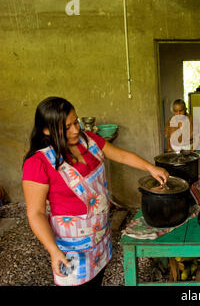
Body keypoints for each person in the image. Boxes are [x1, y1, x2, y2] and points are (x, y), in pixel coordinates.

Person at [21, 96, 169, 286]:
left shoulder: (87, 141)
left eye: (76, 122)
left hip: (100, 239)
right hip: (71, 249)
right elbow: (36, 213)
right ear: (46, 130)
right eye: (66, 127)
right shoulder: (38, 163)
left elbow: (121, 155)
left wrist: (150, 167)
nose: (75, 130)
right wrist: (53, 251)